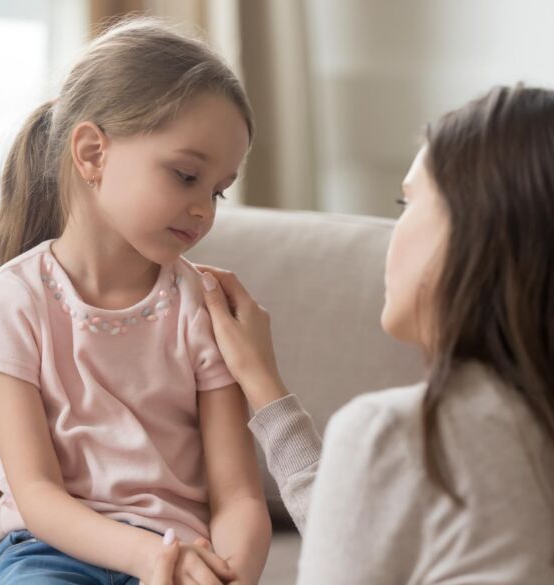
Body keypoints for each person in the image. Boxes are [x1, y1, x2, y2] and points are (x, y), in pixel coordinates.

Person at [196, 85, 554, 583]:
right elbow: (361, 530)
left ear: (477, 229)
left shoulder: (400, 435)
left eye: (407, 203)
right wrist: (263, 384)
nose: (395, 231)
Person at [0, 17, 271, 585]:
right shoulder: (9, 301)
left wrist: (231, 575)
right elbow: (36, 493)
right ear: (91, 153)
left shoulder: (200, 307)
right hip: (45, 551)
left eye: (218, 190)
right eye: (186, 175)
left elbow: (237, 498)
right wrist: (147, 558)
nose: (205, 209)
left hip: (181, 553)